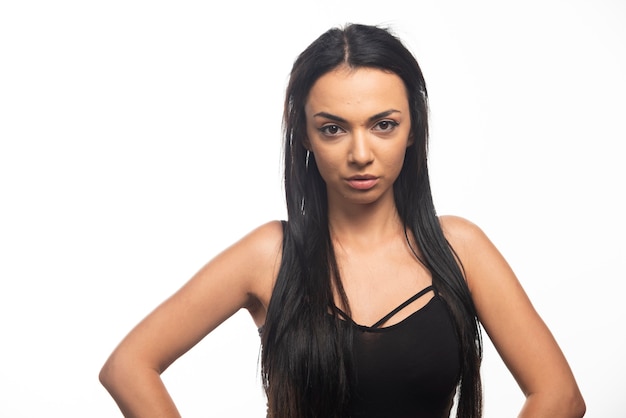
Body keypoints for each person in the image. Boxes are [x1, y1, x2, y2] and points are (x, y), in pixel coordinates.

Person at [99, 23, 585, 418]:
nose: (360, 154)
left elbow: (559, 397)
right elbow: (129, 366)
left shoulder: (460, 248)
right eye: (333, 129)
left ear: (413, 128)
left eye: (383, 125)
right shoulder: (271, 255)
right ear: (305, 137)